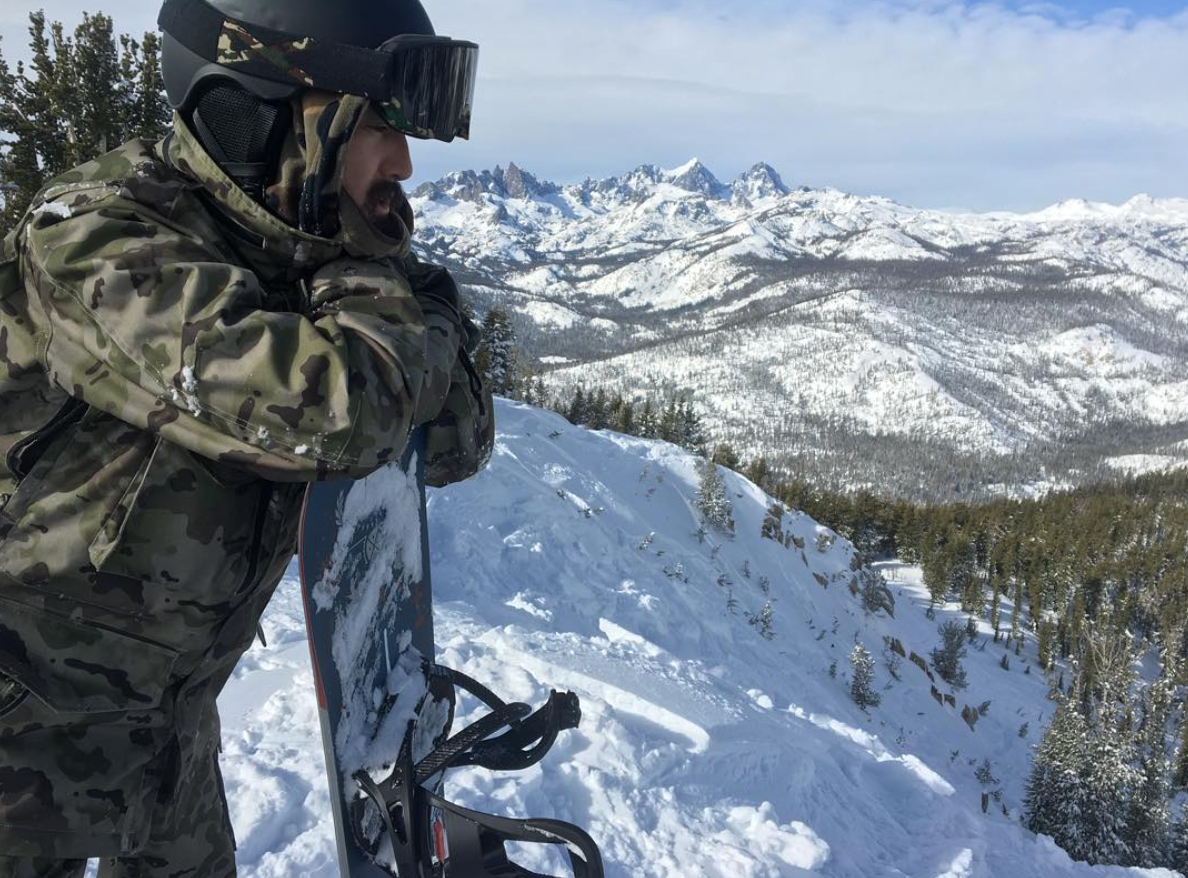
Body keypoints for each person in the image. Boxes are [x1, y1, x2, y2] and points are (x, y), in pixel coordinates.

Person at [0, 0, 491, 875]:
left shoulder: (296, 246)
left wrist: (392, 318)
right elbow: (350, 414)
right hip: (20, 737)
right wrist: (395, 294)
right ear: (258, 117)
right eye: (378, 125)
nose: (405, 163)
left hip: (167, 738)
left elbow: (453, 440)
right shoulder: (101, 237)